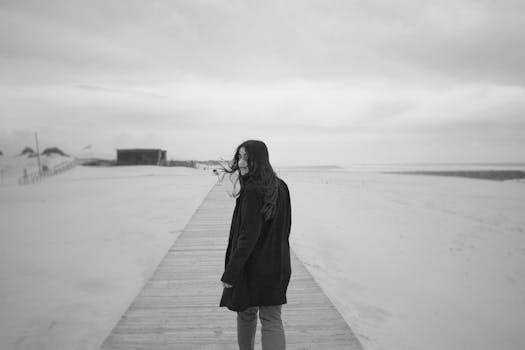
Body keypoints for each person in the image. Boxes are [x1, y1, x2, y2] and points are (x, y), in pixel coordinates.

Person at [219, 140, 292, 350]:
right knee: (272, 319)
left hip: (251, 267)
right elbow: (286, 228)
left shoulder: (252, 190)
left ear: (258, 160)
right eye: (239, 157)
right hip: (277, 265)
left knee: (246, 314)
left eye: (246, 157)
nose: (241, 162)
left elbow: (247, 238)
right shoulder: (282, 186)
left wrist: (230, 272)